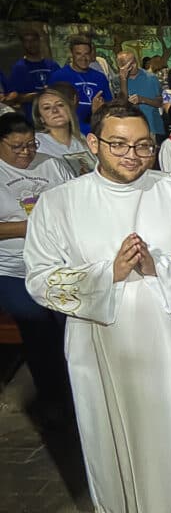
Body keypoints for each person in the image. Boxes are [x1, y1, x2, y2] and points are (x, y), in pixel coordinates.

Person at [23, 101, 171, 513]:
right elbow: (40, 278)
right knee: (115, 441)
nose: (132, 155)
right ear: (94, 143)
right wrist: (107, 274)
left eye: (141, 145)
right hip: (104, 348)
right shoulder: (61, 203)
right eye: (118, 144)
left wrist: (163, 267)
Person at [0, 113, 75, 426]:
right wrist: (31, 227)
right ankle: (52, 394)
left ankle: (75, 390)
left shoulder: (51, 164)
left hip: (59, 262)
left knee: (70, 322)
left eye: (31, 144)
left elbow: (77, 201)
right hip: (14, 268)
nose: (26, 152)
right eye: (17, 147)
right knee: (36, 323)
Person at [48, 35, 111, 135]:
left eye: (86, 54)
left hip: (96, 133)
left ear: (91, 54)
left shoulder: (100, 77)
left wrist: (98, 112)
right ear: (71, 54)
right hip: (70, 134)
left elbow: (109, 107)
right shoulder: (58, 76)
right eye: (78, 54)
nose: (83, 58)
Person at [31, 87, 96, 175]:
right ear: (40, 118)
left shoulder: (82, 139)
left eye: (60, 105)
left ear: (70, 109)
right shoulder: (35, 142)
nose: (55, 110)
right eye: (47, 108)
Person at [7, 28, 60, 118]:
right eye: (27, 41)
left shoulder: (52, 65)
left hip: (54, 115)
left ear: (39, 41)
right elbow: (16, 98)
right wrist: (39, 94)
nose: (31, 44)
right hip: (32, 118)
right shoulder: (19, 68)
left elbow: (62, 89)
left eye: (33, 40)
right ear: (23, 44)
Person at [116, 51, 164, 139]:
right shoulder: (116, 81)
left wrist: (142, 100)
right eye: (128, 64)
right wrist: (123, 80)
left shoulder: (151, 78)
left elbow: (159, 102)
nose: (133, 66)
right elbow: (120, 104)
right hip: (129, 130)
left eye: (134, 62)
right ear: (120, 66)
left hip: (152, 128)